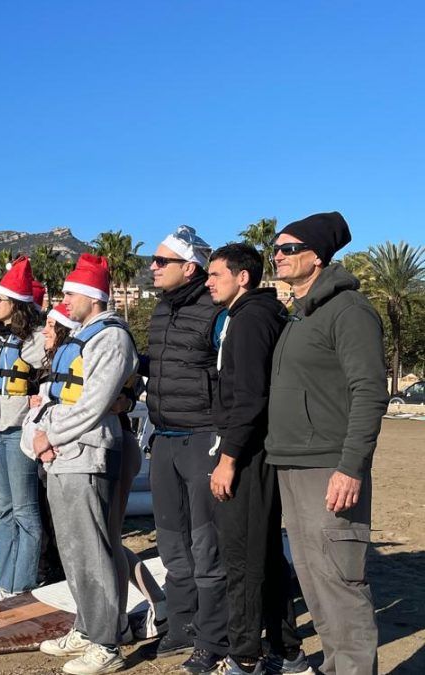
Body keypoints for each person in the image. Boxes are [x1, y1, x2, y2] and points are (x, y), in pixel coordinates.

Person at [267, 212, 387, 675]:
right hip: (293, 464)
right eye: (275, 249)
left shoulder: (349, 310)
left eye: (289, 248)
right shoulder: (302, 314)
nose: (278, 255)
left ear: (317, 255)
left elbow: (370, 391)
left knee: (341, 582)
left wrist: (351, 466)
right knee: (316, 585)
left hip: (329, 467)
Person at [25, 254, 137, 674]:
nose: (64, 299)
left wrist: (48, 436)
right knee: (74, 550)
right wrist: (39, 441)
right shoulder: (80, 334)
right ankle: (90, 626)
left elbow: (94, 403)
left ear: (92, 296)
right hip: (61, 455)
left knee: (92, 550)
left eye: (71, 292)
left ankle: (108, 642)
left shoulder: (110, 339)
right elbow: (52, 397)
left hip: (87, 453)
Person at [203, 243, 306, 675]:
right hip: (254, 447)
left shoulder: (248, 321)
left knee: (241, 556)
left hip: (248, 452)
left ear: (242, 277)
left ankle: (245, 656)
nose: (208, 282)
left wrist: (228, 458)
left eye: (215, 275)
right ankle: (287, 650)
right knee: (263, 552)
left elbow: (248, 399)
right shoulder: (252, 315)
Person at [143, 225, 229, 671]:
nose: (152, 268)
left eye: (161, 261)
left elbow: (230, 376)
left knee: (205, 543)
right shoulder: (160, 311)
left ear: (188, 267)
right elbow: (160, 367)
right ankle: (181, 625)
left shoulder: (215, 311)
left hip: (201, 438)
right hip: (164, 439)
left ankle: (215, 635)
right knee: (171, 539)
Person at [0, 255, 46, 608]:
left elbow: (46, 370)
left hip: (20, 430)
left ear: (14, 303)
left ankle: (23, 584)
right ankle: (2, 583)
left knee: (26, 511)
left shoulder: (34, 337)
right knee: (4, 510)